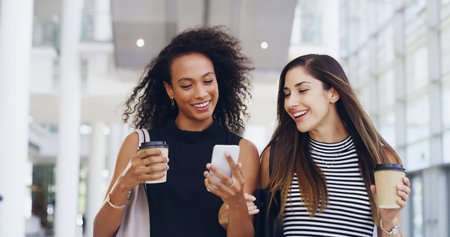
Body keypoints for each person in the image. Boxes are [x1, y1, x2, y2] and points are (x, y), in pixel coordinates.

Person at [93, 26, 259, 237]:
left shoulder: (243, 151)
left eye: (208, 81)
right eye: (187, 85)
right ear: (169, 89)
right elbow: (100, 233)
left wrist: (236, 205)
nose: (201, 93)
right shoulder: (139, 144)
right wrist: (125, 182)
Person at [259, 54, 411, 236]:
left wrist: (388, 220)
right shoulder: (277, 157)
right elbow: (260, 228)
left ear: (333, 93)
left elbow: (391, 229)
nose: (291, 103)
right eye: (286, 94)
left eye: (303, 90)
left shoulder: (378, 159)